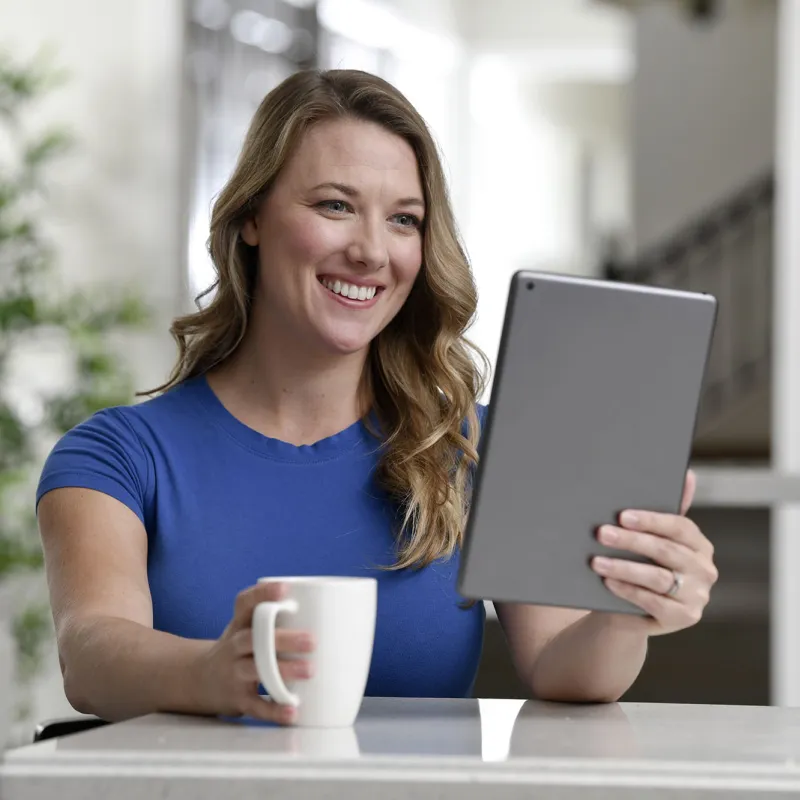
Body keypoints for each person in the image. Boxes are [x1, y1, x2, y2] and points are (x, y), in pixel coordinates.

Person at [36, 69, 718, 726]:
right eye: (335, 205)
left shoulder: (478, 450)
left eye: (403, 220)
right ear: (251, 217)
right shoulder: (117, 456)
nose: (371, 251)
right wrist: (216, 672)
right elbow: (91, 653)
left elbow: (562, 671)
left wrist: (628, 607)